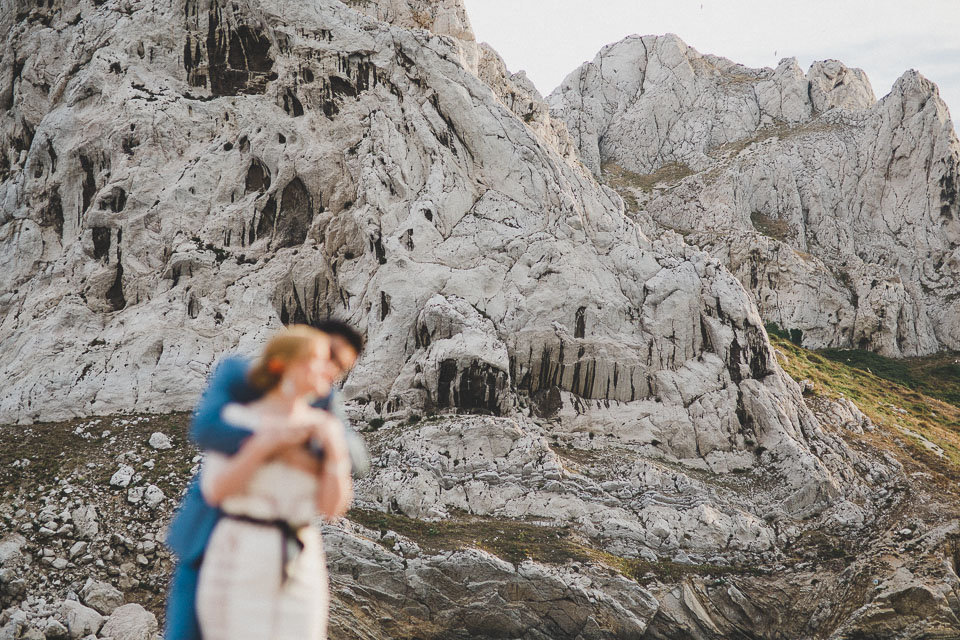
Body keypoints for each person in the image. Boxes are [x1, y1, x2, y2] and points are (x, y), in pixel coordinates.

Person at [164, 320, 364, 640]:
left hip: (293, 549)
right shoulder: (238, 376)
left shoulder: (324, 406)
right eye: (327, 356)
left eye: (339, 367)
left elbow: (358, 460)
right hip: (215, 532)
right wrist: (276, 443)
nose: (331, 370)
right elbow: (205, 429)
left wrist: (325, 445)